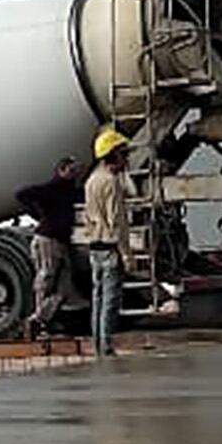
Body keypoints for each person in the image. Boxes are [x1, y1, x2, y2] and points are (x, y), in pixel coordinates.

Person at [15, 156, 83, 334]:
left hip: (60, 240)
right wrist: (39, 215)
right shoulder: (51, 189)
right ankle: (39, 319)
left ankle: (39, 318)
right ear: (61, 170)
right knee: (47, 277)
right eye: (70, 170)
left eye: (75, 170)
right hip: (48, 238)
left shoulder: (70, 191)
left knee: (64, 286)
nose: (74, 174)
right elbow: (22, 194)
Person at [82, 126, 132, 358]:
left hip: (95, 248)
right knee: (110, 303)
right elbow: (117, 222)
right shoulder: (111, 183)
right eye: (123, 153)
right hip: (111, 249)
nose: (126, 158)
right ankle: (106, 348)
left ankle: (98, 345)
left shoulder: (91, 181)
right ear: (113, 154)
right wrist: (127, 254)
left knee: (98, 299)